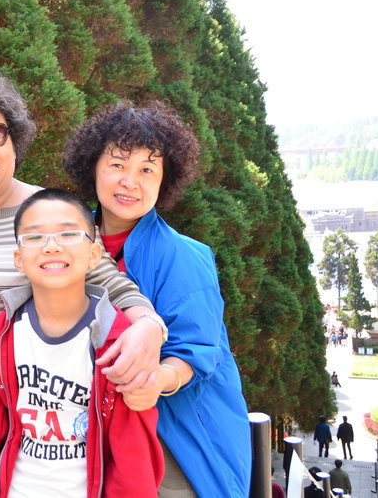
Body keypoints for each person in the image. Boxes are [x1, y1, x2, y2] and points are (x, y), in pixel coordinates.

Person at [0, 70, 166, 494]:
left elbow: (113, 284)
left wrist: (149, 327)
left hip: (30, 436)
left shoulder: (47, 215)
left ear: (15, 143)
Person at [62, 101, 252, 497]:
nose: (129, 181)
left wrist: (157, 382)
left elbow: (199, 351)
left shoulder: (184, 254)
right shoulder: (68, 240)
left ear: (164, 181)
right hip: (90, 430)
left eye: (147, 170)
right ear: (92, 168)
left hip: (173, 438)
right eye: (117, 164)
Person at [0, 189, 164, 497]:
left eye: (68, 234)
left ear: (94, 254)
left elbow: (133, 460)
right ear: (19, 259)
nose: (51, 246)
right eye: (34, 237)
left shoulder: (118, 342)